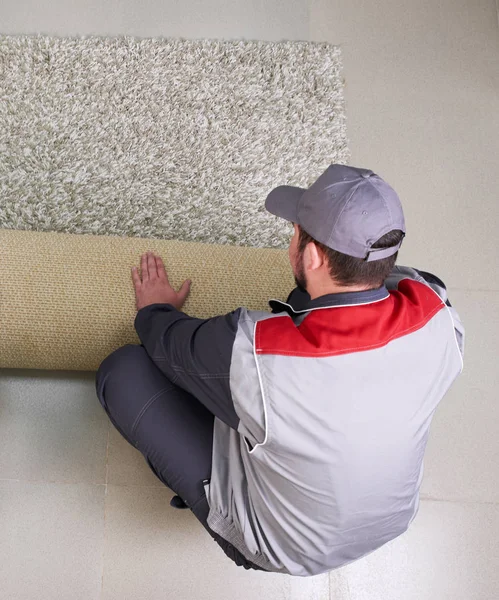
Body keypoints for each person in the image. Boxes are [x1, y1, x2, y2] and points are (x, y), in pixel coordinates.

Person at [95, 164, 465, 576]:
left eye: (295, 230)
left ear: (311, 255)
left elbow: (168, 343)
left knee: (124, 371)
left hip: (283, 546)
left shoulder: (256, 351)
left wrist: (154, 309)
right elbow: (415, 281)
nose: (292, 236)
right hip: (390, 521)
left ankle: (220, 507)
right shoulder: (440, 319)